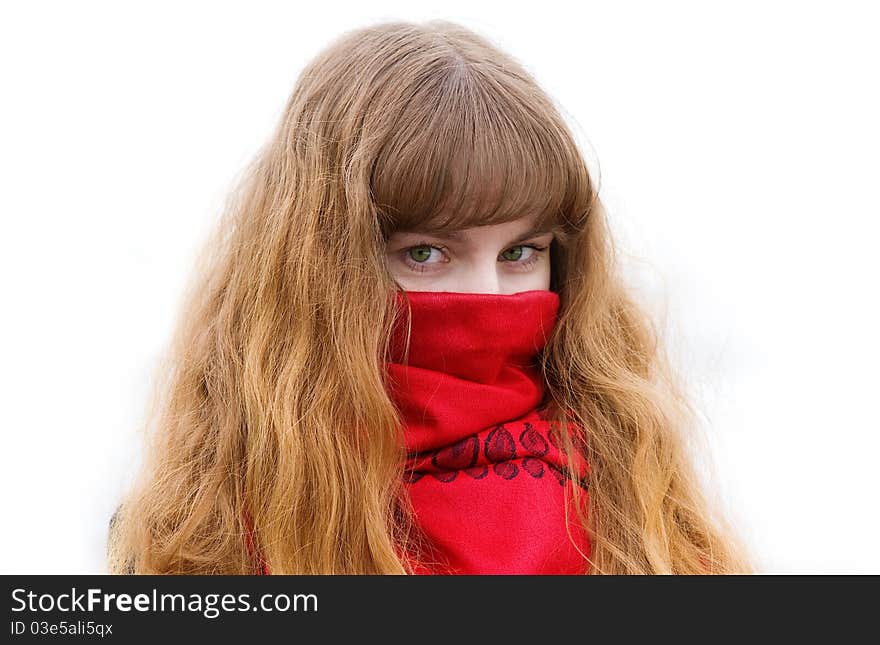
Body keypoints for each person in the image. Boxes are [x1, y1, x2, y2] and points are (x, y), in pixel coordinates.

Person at [107, 19, 753, 575]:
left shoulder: (640, 505)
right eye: (426, 253)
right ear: (324, 272)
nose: (487, 297)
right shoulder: (198, 537)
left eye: (520, 252)